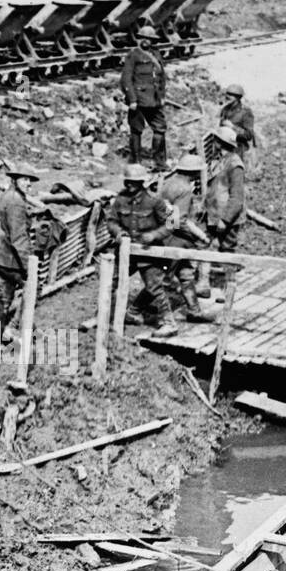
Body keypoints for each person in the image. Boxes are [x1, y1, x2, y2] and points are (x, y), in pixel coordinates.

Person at [106, 164, 177, 337]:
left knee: (154, 286)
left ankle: (169, 322)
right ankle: (106, 316)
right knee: (110, 282)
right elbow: (111, 221)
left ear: (142, 183)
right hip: (126, 251)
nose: (129, 185)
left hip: (148, 252)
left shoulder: (154, 201)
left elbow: (172, 223)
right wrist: (118, 232)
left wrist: (154, 235)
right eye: (128, 181)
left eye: (134, 182)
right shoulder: (120, 200)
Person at [0, 161, 40, 344]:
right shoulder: (16, 202)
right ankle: (10, 328)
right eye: (25, 180)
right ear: (15, 180)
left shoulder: (3, 197)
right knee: (29, 289)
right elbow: (19, 237)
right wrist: (28, 266)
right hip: (8, 257)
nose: (29, 184)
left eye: (29, 180)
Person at [158, 154, 213, 323]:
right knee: (164, 278)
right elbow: (178, 221)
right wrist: (199, 236)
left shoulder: (168, 183)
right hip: (176, 239)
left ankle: (194, 311)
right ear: (194, 172)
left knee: (186, 273)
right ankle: (136, 309)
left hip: (168, 234)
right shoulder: (184, 189)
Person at [121, 23, 168, 169]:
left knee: (160, 128)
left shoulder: (156, 54)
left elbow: (161, 77)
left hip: (154, 100)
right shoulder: (133, 54)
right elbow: (126, 79)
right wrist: (132, 99)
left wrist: (162, 95)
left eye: (149, 38)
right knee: (136, 130)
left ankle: (159, 162)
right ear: (139, 38)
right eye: (143, 38)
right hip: (139, 100)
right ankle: (136, 161)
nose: (146, 41)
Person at [207, 125, 246, 254]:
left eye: (216, 140)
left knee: (227, 251)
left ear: (220, 143)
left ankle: (229, 273)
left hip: (227, 218)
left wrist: (225, 220)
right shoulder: (219, 160)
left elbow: (237, 197)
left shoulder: (235, 164)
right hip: (214, 214)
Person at [218, 83, 256, 159]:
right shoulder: (225, 109)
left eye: (231, 95)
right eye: (227, 94)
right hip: (224, 144)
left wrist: (232, 127)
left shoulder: (245, 112)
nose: (227, 96)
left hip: (238, 147)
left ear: (238, 98)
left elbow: (249, 135)